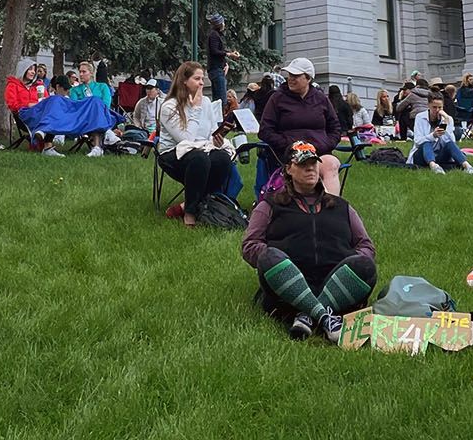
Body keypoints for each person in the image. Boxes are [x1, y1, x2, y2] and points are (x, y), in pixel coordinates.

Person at [239, 141, 377, 343]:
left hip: (338, 284)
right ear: (288, 169)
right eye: (303, 164)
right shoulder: (269, 205)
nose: (310, 168)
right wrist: (279, 260)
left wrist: (351, 261)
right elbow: (250, 244)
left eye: (314, 163)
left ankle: (309, 315)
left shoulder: (341, 206)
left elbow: (365, 245)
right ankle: (326, 317)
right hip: (289, 284)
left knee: (366, 264)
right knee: (269, 256)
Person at [155, 62, 238, 227]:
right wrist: (194, 109)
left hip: (201, 149)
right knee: (199, 159)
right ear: (184, 81)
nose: (201, 83)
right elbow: (186, 139)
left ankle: (190, 204)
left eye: (202, 78)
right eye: (197, 78)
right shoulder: (169, 106)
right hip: (173, 153)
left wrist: (217, 139)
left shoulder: (205, 102)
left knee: (222, 158)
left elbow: (211, 130)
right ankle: (190, 214)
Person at [259, 58, 344, 194]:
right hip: (290, 154)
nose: (290, 79)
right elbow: (265, 130)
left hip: (319, 152)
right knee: (303, 168)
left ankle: (332, 209)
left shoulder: (321, 99)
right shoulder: (277, 98)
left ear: (308, 78)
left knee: (331, 165)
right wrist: (288, 145)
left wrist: (326, 144)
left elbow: (335, 128)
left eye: (296, 76)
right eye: (290, 75)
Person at [407, 96, 473, 173]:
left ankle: (466, 166)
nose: (437, 110)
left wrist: (445, 122)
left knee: (450, 144)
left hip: (440, 154)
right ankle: (434, 166)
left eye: (440, 107)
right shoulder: (420, 117)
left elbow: (451, 142)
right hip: (422, 154)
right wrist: (433, 136)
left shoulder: (447, 119)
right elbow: (417, 141)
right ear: (429, 106)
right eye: (434, 107)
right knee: (426, 143)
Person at [204, 14, 237, 108]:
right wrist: (228, 54)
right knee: (221, 100)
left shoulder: (214, 34)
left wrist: (226, 58)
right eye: (223, 22)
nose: (224, 24)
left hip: (216, 69)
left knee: (217, 99)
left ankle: (217, 120)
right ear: (220, 24)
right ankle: (219, 121)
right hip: (216, 69)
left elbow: (216, 51)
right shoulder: (214, 35)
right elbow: (215, 51)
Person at [453, 74, 473, 140]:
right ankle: (466, 132)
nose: (472, 81)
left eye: (472, 79)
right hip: (463, 111)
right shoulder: (462, 90)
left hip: (469, 111)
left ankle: (468, 133)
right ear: (466, 80)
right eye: (470, 79)